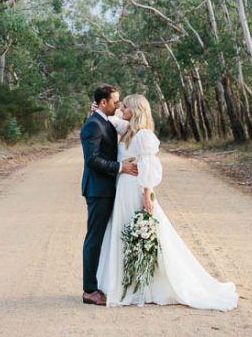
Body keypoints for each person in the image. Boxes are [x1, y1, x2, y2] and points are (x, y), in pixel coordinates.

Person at [96, 94, 237, 310]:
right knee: (124, 234)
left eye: (124, 107)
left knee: (143, 233)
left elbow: (148, 165)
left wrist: (146, 195)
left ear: (134, 109)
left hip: (135, 190)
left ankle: (151, 284)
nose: (120, 109)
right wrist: (96, 109)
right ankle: (130, 283)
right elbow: (110, 120)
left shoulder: (143, 135)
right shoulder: (127, 131)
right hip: (122, 189)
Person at [80, 84, 137, 306]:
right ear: (104, 103)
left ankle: (103, 283)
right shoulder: (93, 125)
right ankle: (89, 291)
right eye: (115, 101)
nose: (118, 105)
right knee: (94, 239)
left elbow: (132, 124)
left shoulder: (103, 120)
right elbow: (92, 160)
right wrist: (120, 167)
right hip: (98, 191)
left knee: (103, 238)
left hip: (108, 189)